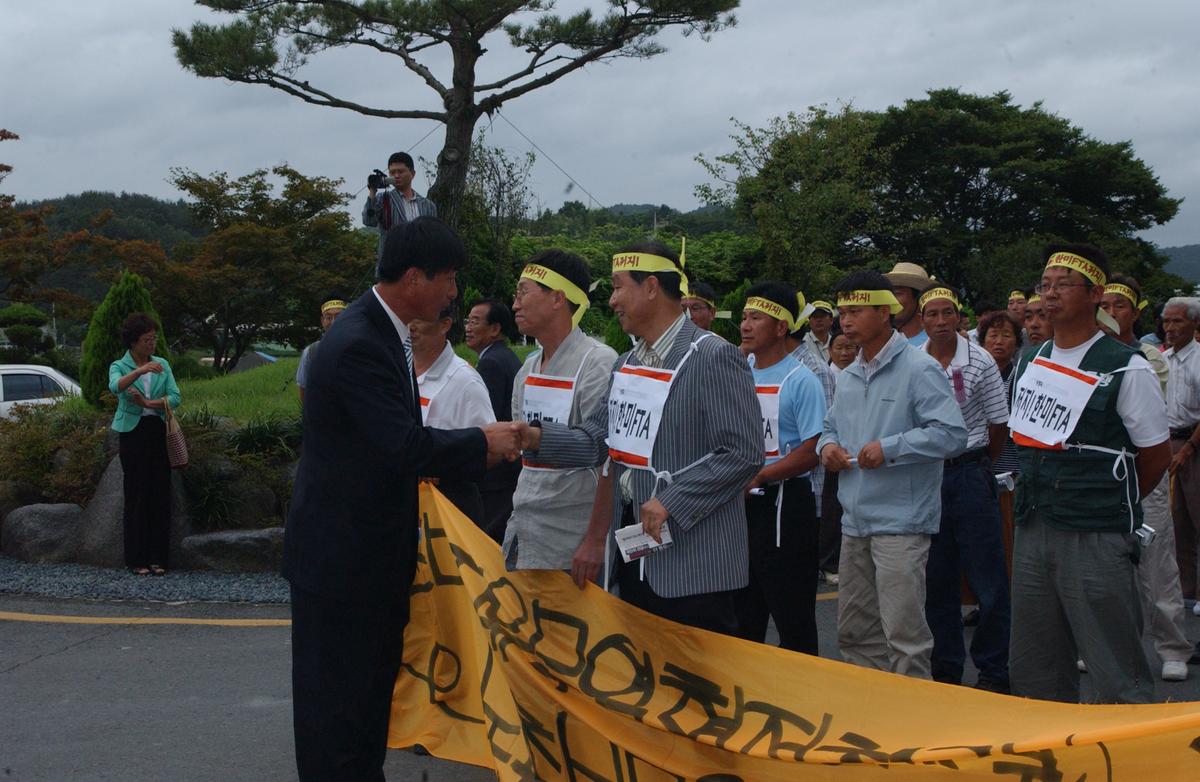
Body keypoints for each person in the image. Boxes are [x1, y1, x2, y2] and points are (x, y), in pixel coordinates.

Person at [282, 216, 519, 782]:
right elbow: (403, 446)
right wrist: (481, 443)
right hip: (343, 564)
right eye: (450, 279)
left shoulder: (380, 329)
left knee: (364, 709)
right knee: (337, 715)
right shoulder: (361, 341)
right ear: (415, 277)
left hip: (364, 559)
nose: (454, 294)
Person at [517, 240, 762, 634]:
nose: (612, 301)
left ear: (651, 287)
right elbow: (600, 440)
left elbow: (742, 453)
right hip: (635, 552)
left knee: (697, 684)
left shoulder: (712, 356)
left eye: (617, 287)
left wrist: (671, 500)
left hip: (693, 565)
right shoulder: (626, 363)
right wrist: (531, 438)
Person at [1008, 244, 1170, 704]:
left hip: (1096, 530)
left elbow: (1155, 456)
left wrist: (1108, 499)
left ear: (1095, 294)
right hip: (1034, 522)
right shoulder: (1030, 360)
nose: (1051, 294)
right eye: (1046, 284)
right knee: (1035, 659)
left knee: (1112, 659)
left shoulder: (1127, 366)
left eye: (1064, 284)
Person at [817, 270, 968, 679]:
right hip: (855, 521)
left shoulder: (919, 368)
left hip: (901, 522)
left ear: (885, 312)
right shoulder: (849, 374)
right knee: (853, 632)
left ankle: (912, 722)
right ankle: (872, 713)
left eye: (857, 310)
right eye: (842, 311)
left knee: (904, 635)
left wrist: (890, 448)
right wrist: (826, 448)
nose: (845, 321)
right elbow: (830, 428)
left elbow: (953, 434)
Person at [919, 286, 1012, 692]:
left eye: (947, 313)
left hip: (971, 470)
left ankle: (993, 672)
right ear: (922, 320)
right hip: (927, 475)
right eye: (932, 314)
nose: (940, 322)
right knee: (937, 580)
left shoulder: (981, 361)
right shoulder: (912, 360)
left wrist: (977, 466)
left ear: (959, 316)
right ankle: (946, 671)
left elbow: (998, 425)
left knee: (988, 580)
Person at [1100, 278, 1191, 681]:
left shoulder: (1150, 356)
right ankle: (1108, 644)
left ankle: (1172, 646)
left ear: (1136, 312)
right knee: (1103, 566)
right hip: (1102, 478)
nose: (1110, 312)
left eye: (1119, 306)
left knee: (1156, 564)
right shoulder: (1081, 354)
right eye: (1104, 304)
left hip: (1144, 471)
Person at [503, 250, 618, 572]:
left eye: (523, 293)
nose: (515, 305)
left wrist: (595, 540)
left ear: (557, 298)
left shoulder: (597, 363)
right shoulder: (526, 370)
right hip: (524, 528)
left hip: (573, 538)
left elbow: (606, 455)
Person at [737, 282, 826, 653]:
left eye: (757, 318)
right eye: (743, 317)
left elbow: (812, 449)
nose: (745, 325)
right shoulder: (738, 371)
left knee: (793, 615)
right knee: (744, 614)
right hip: (741, 504)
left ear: (780, 328)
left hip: (786, 506)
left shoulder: (801, 379)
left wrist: (762, 474)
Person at [107, 313, 181, 577]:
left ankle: (159, 557)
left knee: (160, 494)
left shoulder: (161, 364)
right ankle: (136, 558)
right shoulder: (120, 364)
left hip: (157, 431)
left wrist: (148, 404)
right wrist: (139, 370)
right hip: (132, 433)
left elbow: (175, 397)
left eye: (154, 338)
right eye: (147, 340)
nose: (152, 344)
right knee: (136, 494)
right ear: (134, 342)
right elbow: (115, 386)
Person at [411, 303, 496, 525]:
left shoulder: (466, 381)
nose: (410, 326)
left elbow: (491, 448)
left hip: (449, 515)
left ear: (444, 325)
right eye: (407, 317)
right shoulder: (396, 370)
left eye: (418, 318)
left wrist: (439, 468)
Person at [466, 298, 523, 542]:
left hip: (496, 474)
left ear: (495, 329)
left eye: (475, 321)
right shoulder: (504, 356)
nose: (467, 326)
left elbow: (487, 419)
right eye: (467, 321)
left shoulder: (491, 363)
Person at [1163, 297, 1200, 606]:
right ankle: (1187, 594)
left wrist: (1188, 449)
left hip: (1194, 445)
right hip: (1169, 445)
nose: (1170, 328)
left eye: (1177, 321)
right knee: (1177, 524)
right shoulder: (1163, 360)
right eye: (1166, 322)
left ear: (1194, 323)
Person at [362, 151, 437, 271]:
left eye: (401, 172)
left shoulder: (428, 206)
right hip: (392, 266)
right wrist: (372, 192)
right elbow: (369, 221)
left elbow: (432, 238)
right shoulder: (383, 199)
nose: (396, 176)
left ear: (412, 174)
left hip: (420, 266)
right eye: (392, 172)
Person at [976, 310, 1023, 475]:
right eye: (993, 335)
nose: (999, 342)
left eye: (1006, 336)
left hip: (1010, 470)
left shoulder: (1021, 378)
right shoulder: (974, 378)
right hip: (976, 467)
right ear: (982, 342)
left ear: (1017, 343)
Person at [296, 295, 346, 405]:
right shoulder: (311, 352)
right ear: (322, 320)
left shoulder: (361, 348)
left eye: (339, 317)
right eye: (328, 317)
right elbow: (303, 389)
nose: (333, 322)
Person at [884, 261, 934, 346]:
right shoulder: (882, 343)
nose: (891, 300)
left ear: (920, 299)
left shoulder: (934, 343)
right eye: (889, 294)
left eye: (897, 293)